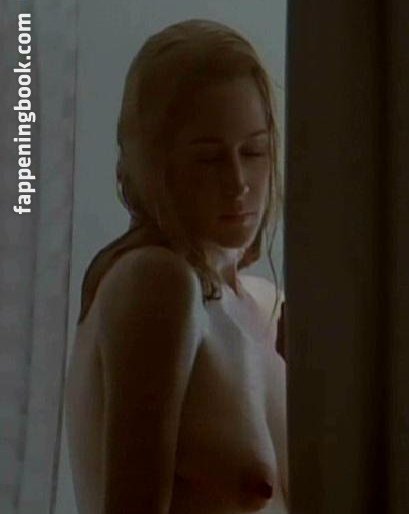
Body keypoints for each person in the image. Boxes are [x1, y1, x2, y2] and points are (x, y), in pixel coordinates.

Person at [64, 19, 287, 513]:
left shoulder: (264, 304)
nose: (239, 182)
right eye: (209, 159)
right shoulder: (156, 281)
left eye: (254, 151)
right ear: (155, 163)